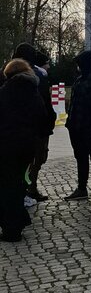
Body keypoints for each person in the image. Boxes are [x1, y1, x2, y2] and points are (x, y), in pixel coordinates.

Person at [0, 59, 47, 242]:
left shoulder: (5, 92)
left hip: (7, 144)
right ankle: (18, 220)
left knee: (8, 185)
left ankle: (12, 227)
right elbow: (43, 117)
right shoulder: (33, 91)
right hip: (28, 145)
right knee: (19, 182)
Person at [12, 42, 56, 203]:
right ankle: (27, 189)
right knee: (35, 159)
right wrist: (48, 123)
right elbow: (45, 102)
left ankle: (27, 189)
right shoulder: (37, 75)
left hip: (15, 128)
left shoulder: (6, 73)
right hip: (35, 127)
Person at [65, 50, 91, 202]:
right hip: (76, 127)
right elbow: (73, 105)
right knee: (81, 158)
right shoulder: (79, 80)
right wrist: (70, 123)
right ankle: (82, 188)